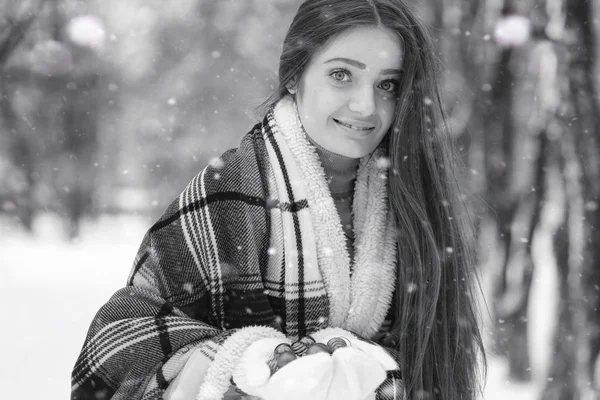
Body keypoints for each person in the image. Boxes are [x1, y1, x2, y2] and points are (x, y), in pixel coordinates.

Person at [71, 0, 486, 399]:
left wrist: (361, 371)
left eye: (387, 84)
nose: (365, 106)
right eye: (341, 75)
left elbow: (431, 366)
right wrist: (252, 361)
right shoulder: (231, 187)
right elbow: (118, 340)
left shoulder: (412, 199)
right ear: (294, 75)